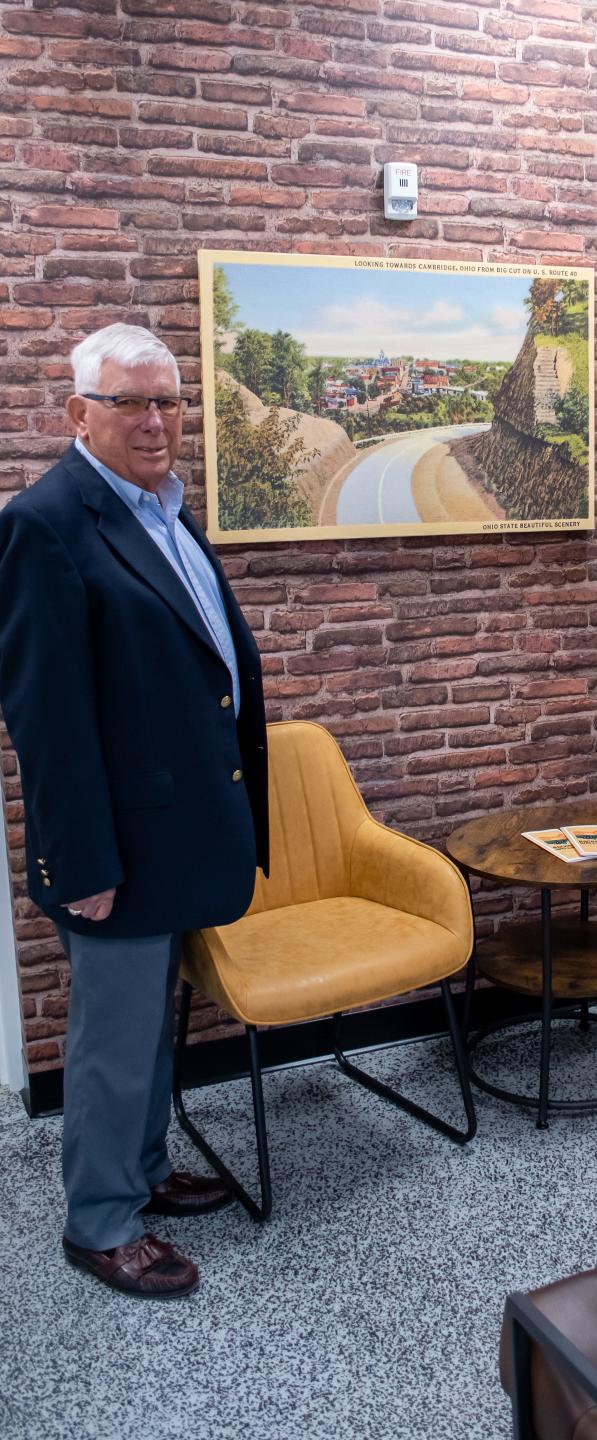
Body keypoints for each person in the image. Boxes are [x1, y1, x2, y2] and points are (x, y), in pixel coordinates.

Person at [0, 323, 269, 1298]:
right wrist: (83, 866)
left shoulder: (162, 508)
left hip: (174, 832)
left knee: (150, 1030)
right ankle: (99, 1222)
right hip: (111, 847)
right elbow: (45, 719)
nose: (156, 422)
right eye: (131, 403)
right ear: (77, 413)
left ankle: (144, 1173)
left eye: (169, 401)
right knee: (113, 1043)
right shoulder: (46, 524)